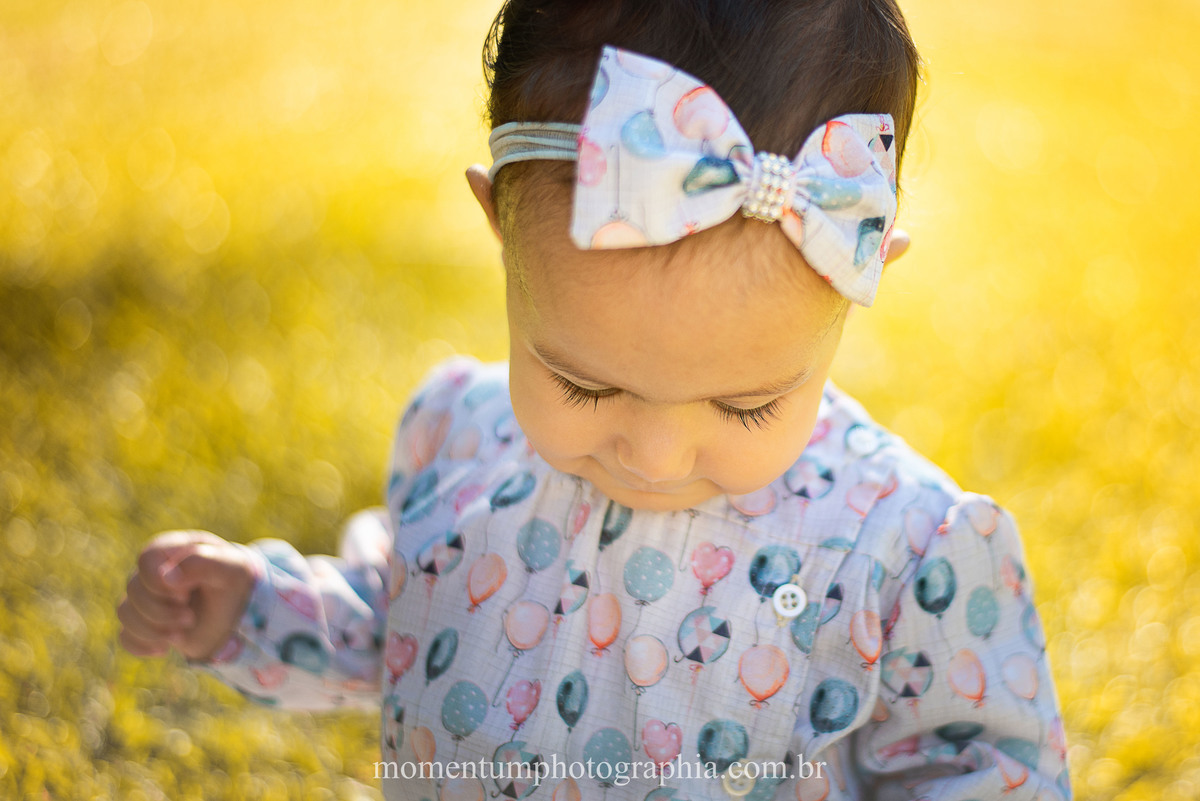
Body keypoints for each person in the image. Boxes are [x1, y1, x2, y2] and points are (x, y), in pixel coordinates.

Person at [117, 1, 1072, 799]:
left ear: (865, 272)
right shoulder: (457, 437)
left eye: (745, 406)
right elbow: (407, 618)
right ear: (499, 227)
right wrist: (258, 608)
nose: (652, 455)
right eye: (583, 383)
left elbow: (988, 767)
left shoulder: (904, 550)